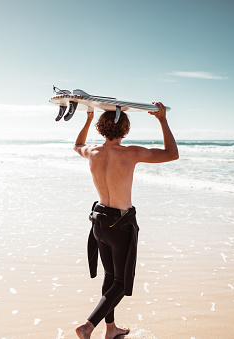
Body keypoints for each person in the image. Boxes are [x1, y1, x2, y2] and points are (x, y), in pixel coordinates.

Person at [74, 103, 178, 339]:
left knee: (110, 277)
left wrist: (88, 118)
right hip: (120, 226)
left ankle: (110, 329)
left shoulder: (92, 151)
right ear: (125, 129)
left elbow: (77, 145)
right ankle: (88, 326)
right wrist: (162, 119)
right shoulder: (130, 153)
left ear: (101, 128)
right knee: (121, 283)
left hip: (99, 222)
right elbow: (172, 154)